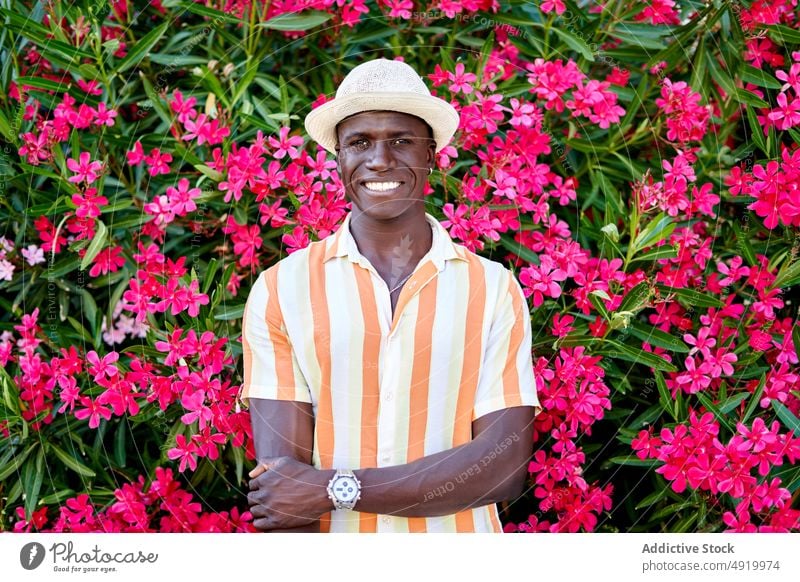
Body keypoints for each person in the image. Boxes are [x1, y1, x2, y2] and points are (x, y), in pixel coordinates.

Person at [240, 58, 541, 533]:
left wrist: (335, 488)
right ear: (338, 159)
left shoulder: (493, 287)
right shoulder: (282, 289)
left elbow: (501, 468)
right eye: (359, 142)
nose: (379, 159)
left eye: (401, 141)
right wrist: (312, 493)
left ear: (432, 157)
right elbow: (284, 492)